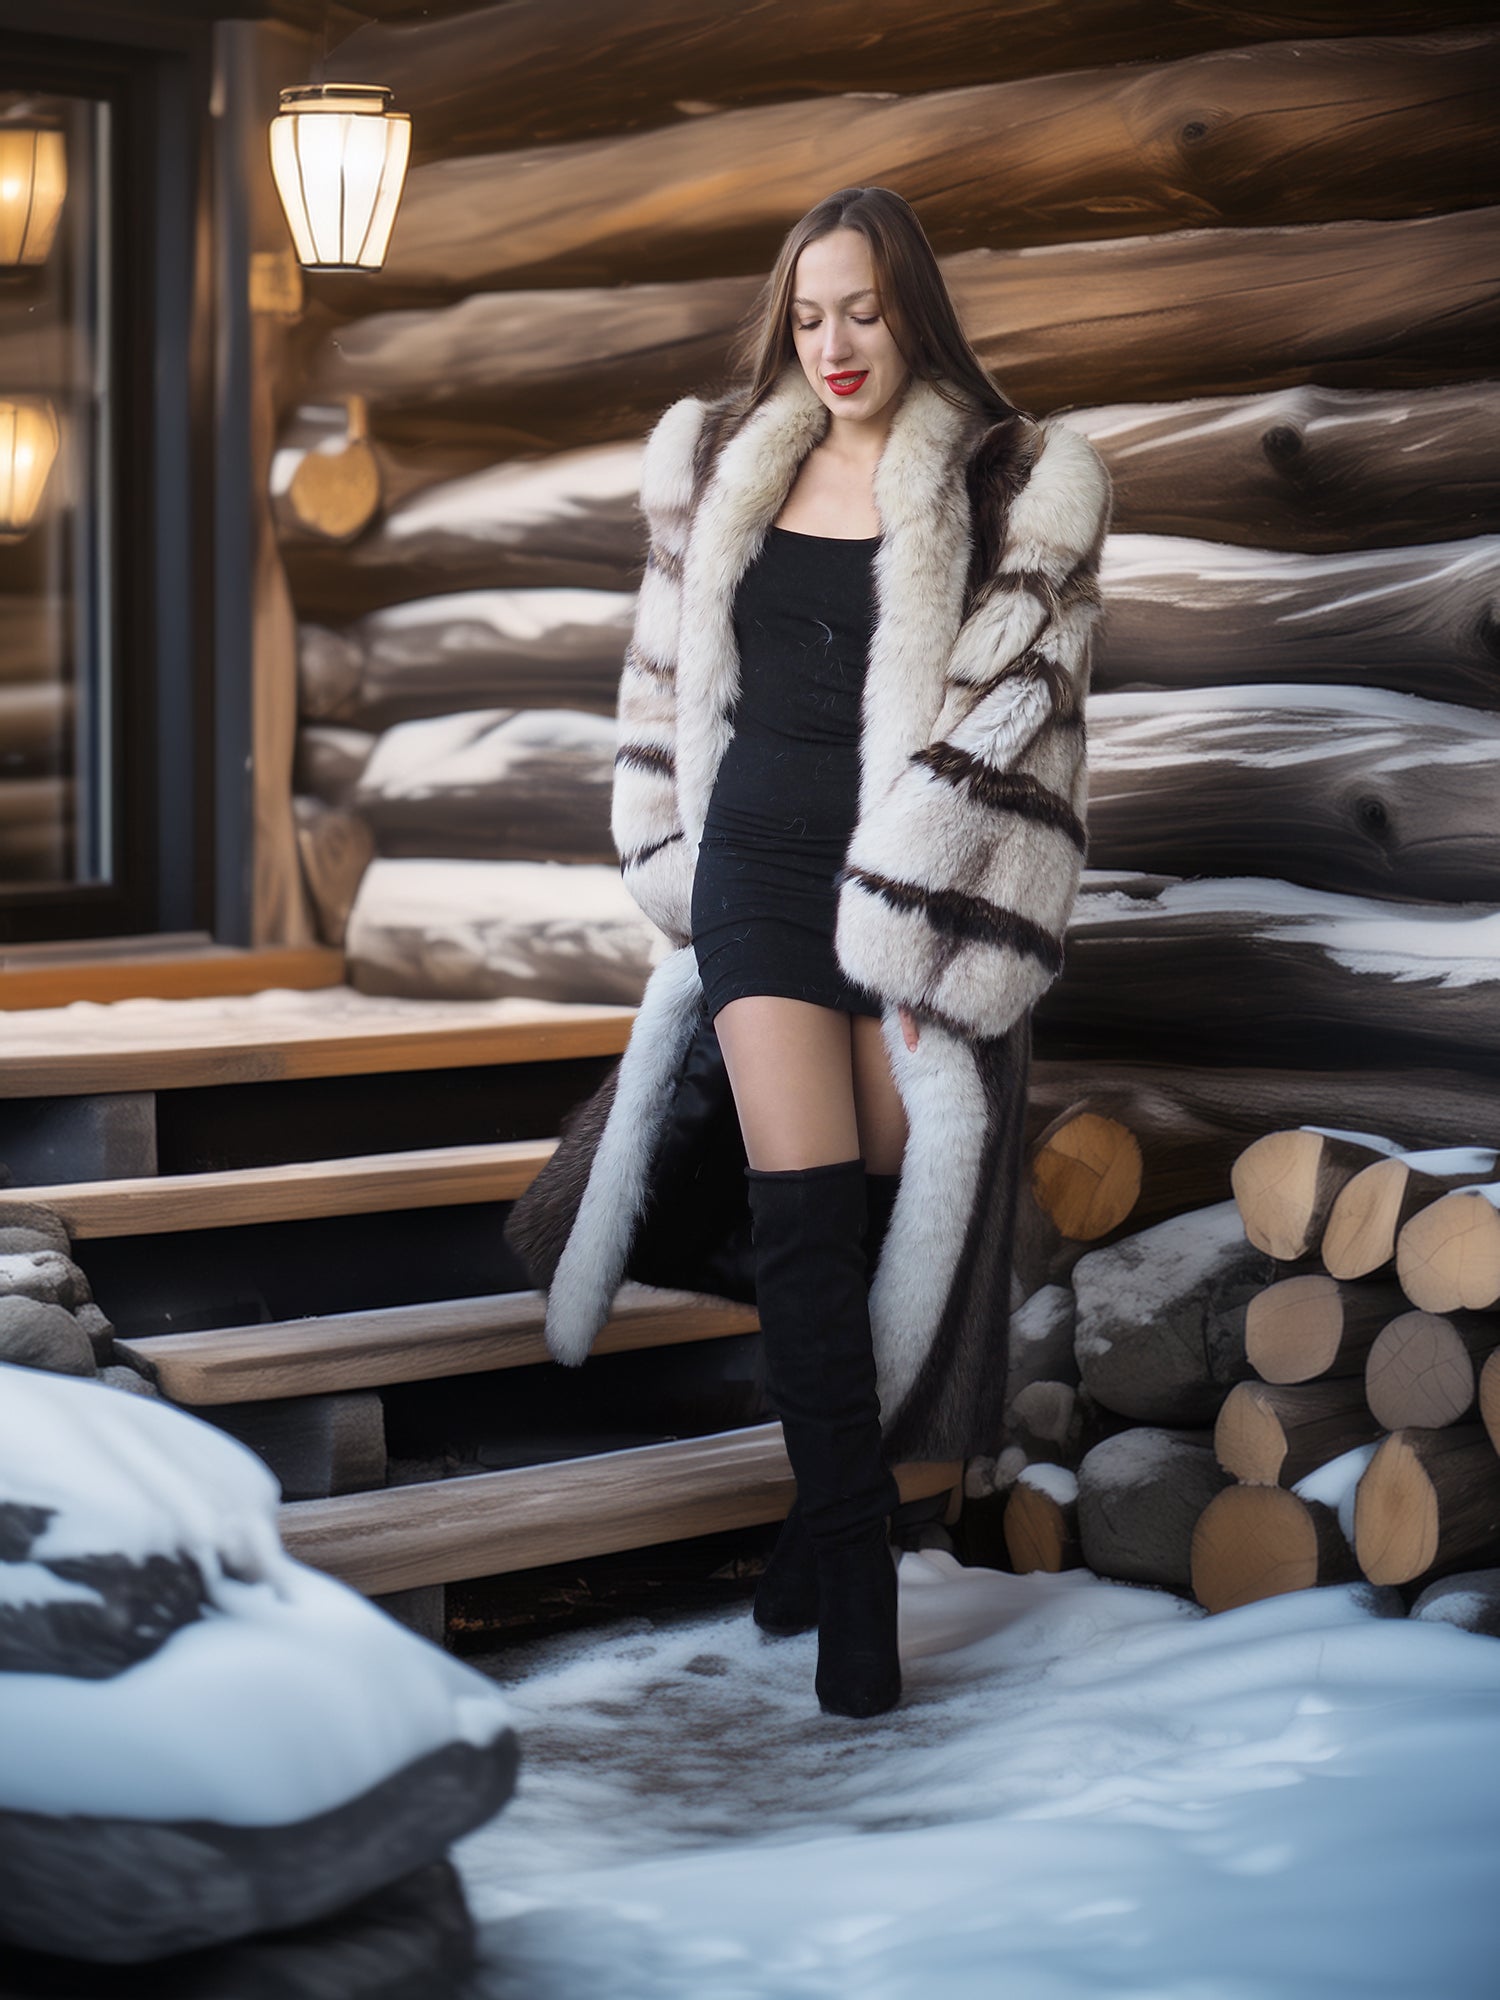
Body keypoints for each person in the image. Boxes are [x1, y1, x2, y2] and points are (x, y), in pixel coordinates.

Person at [508, 186, 1112, 1719]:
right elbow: (658, 678)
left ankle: (809, 1530)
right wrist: (666, 854)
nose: (833, 345)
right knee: (797, 1214)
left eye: (861, 310)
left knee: (867, 1220)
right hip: (757, 877)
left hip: (905, 894)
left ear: (913, 305)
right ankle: (858, 1579)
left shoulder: (1019, 482)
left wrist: (938, 919)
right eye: (807, 315)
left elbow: (1018, 723)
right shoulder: (721, 461)